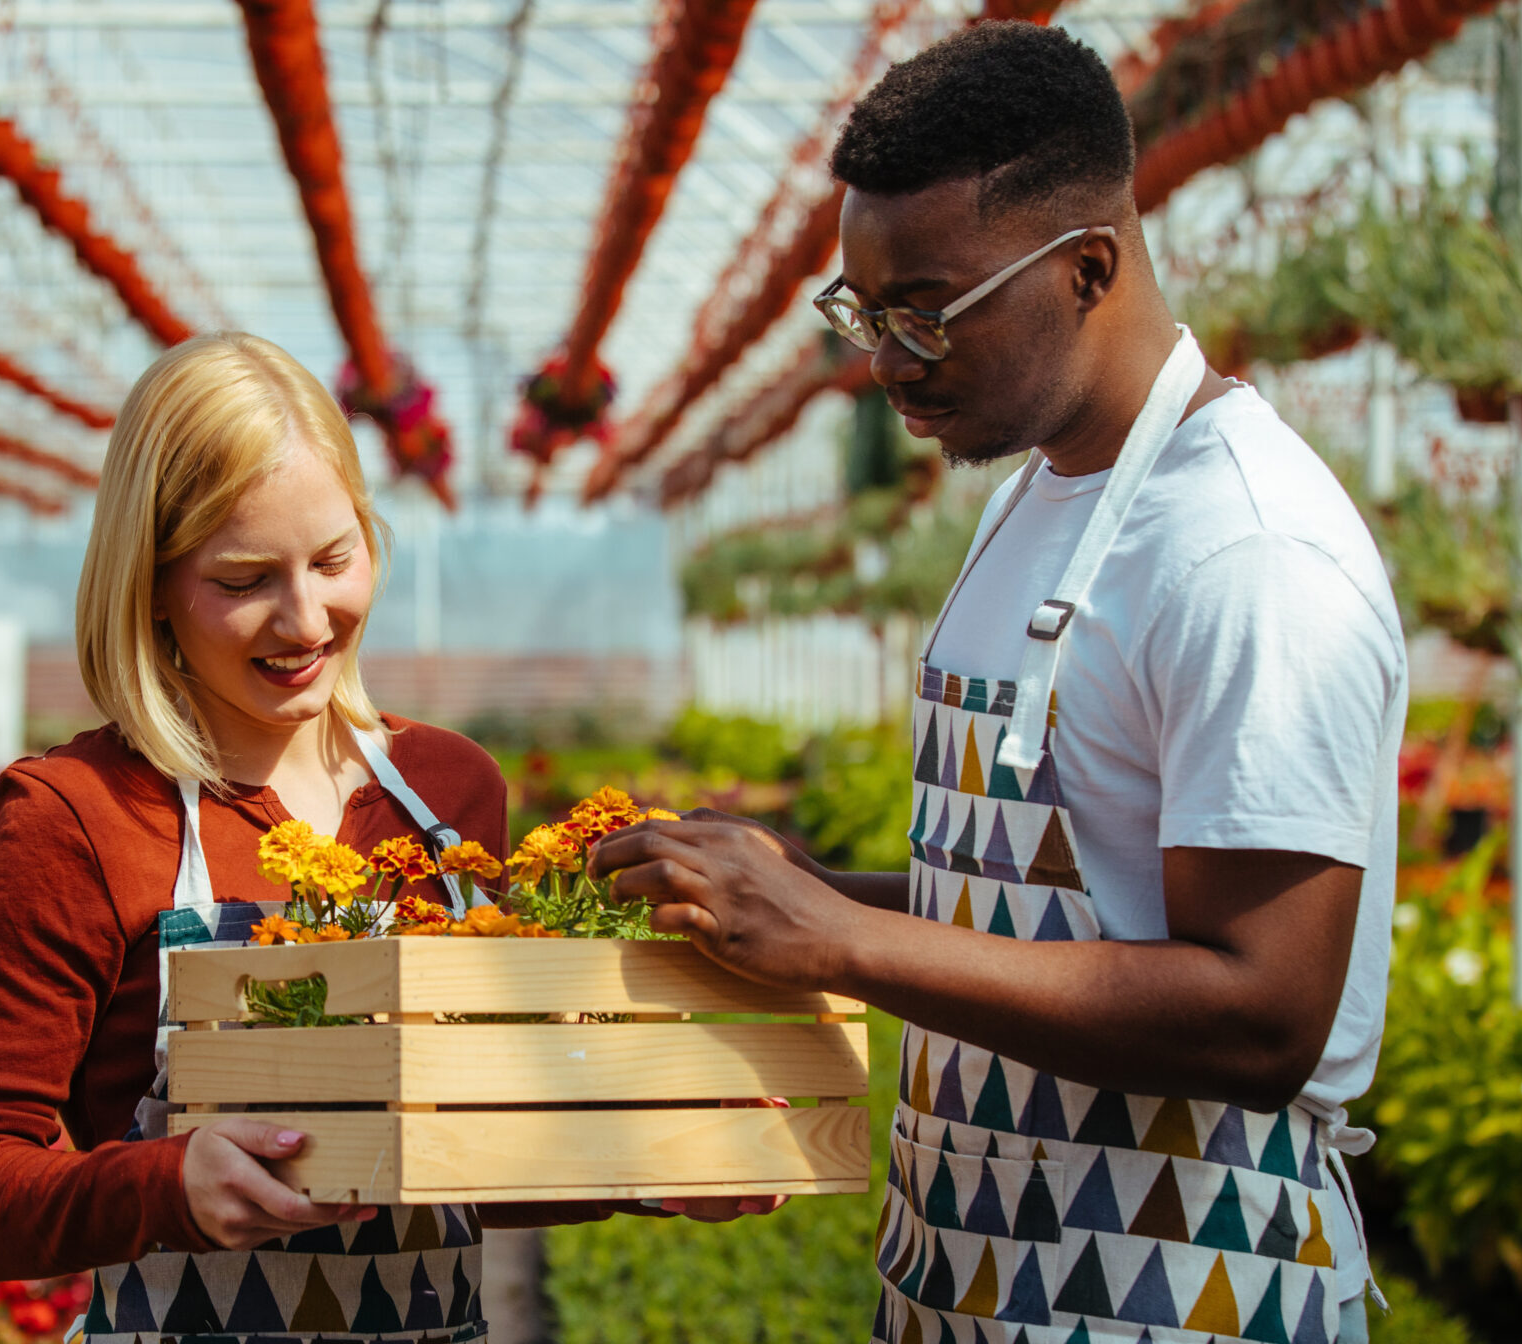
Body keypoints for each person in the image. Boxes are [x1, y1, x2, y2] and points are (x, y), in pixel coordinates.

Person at [592, 24, 1405, 1344]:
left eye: (927, 308)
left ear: (1089, 268)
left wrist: (843, 940)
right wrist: (799, 888)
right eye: (863, 311)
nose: (886, 359)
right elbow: (1057, 906)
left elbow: (1263, 1012)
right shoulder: (1032, 500)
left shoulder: (1246, 552)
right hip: (965, 1280)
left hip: (1176, 1289)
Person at [0, 332, 699, 1344]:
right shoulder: (79, 817)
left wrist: (667, 1167)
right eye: (243, 580)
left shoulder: (446, 792)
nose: (304, 619)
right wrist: (169, 1186)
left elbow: (459, 1159)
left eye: (334, 559)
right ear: (150, 585)